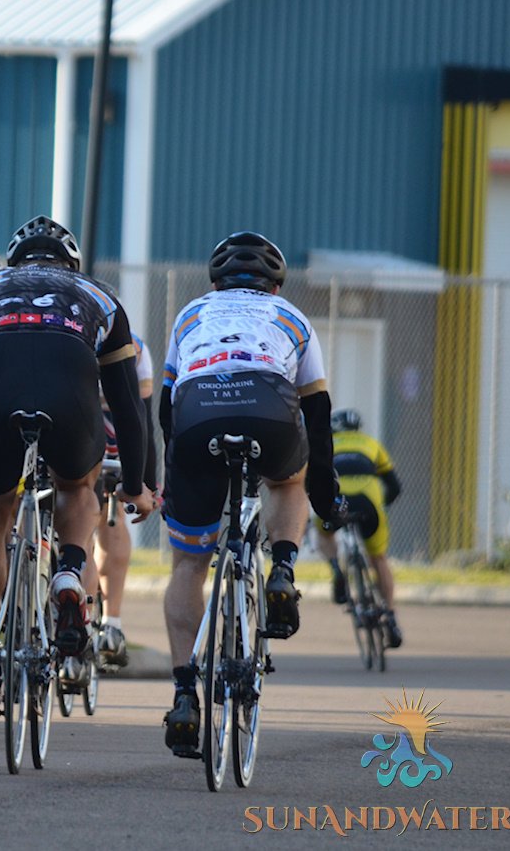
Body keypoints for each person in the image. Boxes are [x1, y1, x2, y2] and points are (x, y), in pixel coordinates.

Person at [0, 217, 155, 713]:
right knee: (77, 487)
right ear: (71, 263)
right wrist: (138, 483)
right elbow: (127, 407)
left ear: (14, 262)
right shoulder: (99, 296)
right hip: (69, 404)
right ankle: (71, 570)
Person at [158, 231, 344, 758]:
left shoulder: (191, 313)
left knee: (188, 566)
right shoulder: (294, 318)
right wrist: (324, 490)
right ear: (276, 285)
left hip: (199, 412)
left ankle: (183, 695)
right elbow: (319, 412)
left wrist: (179, 474)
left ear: (214, 281)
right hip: (269, 406)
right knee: (287, 478)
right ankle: (282, 569)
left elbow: (167, 408)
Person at [87, 334, 158, 668]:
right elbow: (141, 418)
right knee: (105, 515)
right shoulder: (133, 343)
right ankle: (111, 623)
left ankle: (78, 613)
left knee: (77, 524)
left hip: (64, 419)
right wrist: (146, 483)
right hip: (114, 426)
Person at [316, 409, 404, 648]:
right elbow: (394, 487)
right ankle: (391, 616)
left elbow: (313, 481)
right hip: (369, 503)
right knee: (379, 558)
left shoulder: (327, 444)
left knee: (323, 533)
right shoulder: (371, 444)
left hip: (338, 501)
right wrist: (381, 506)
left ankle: (336, 569)